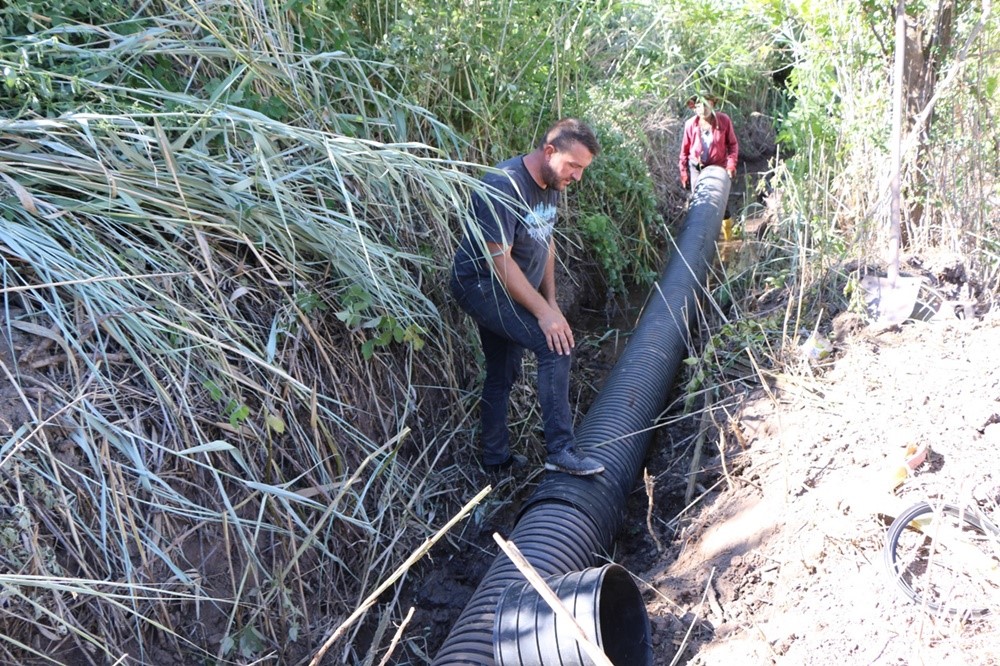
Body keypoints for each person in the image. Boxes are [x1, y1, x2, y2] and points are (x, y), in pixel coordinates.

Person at [450, 118, 605, 476]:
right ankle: (561, 450)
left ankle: (495, 459)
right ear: (549, 151)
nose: (577, 176)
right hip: (480, 285)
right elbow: (499, 261)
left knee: (503, 371)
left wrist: (550, 303)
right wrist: (543, 315)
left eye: (583, 169)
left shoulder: (552, 182)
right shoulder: (503, 185)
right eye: (574, 166)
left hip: (510, 285)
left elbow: (545, 242)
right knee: (555, 348)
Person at [678, 93, 739, 240]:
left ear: (712, 105)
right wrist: (684, 173)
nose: (703, 109)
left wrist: (731, 165)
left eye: (706, 104)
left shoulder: (723, 120)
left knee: (721, 203)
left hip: (718, 167)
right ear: (694, 108)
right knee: (699, 201)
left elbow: (733, 145)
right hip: (697, 167)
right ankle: (699, 238)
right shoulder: (690, 125)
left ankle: (728, 238)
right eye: (699, 106)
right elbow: (684, 151)